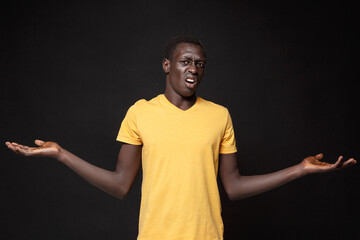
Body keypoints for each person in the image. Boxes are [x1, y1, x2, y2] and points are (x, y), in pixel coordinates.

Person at [5, 36, 356, 240]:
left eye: (200, 64)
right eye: (186, 61)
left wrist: (299, 169)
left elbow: (232, 187)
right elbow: (120, 184)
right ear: (167, 65)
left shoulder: (219, 115)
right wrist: (62, 154)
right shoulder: (140, 112)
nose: (194, 69)